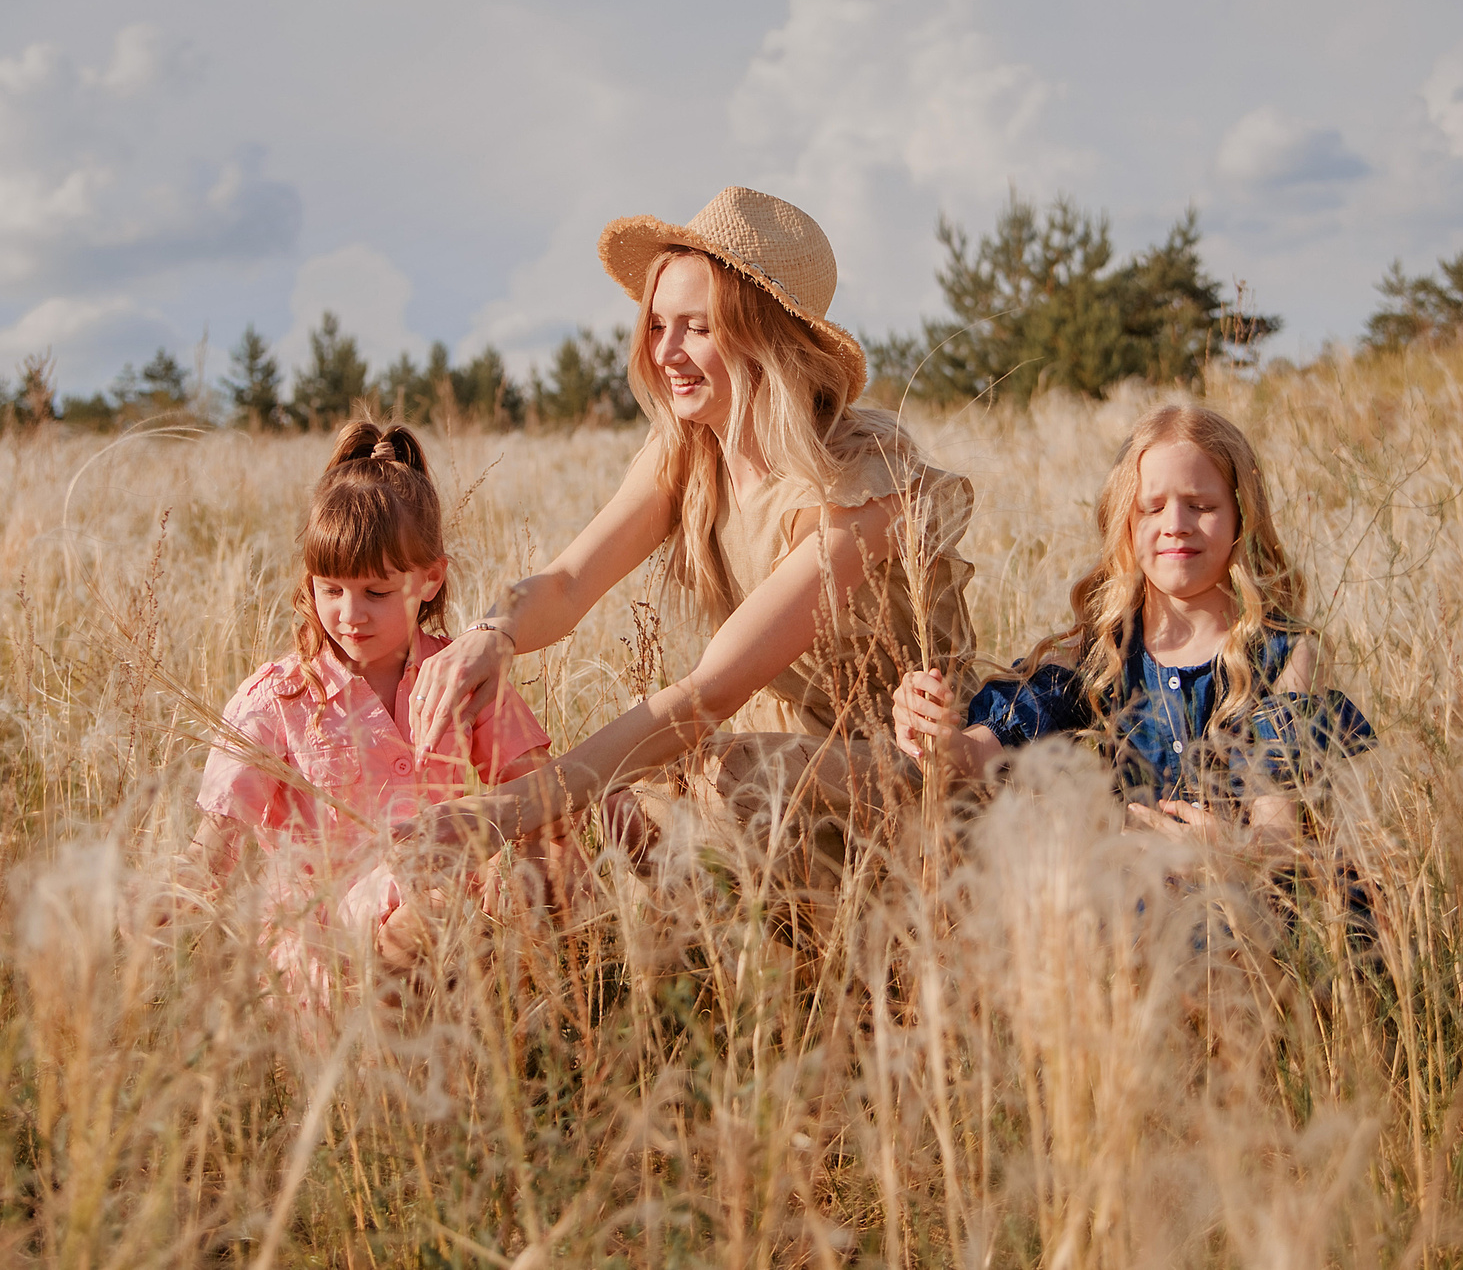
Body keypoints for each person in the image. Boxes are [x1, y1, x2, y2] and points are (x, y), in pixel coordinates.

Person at [400, 186, 974, 879]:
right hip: (750, 764)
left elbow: (710, 693)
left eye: (697, 327)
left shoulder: (863, 484)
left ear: (767, 336)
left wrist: (508, 807)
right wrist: (495, 631)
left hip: (898, 774)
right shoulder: (689, 450)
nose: (666, 350)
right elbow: (570, 580)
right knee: (559, 851)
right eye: (657, 324)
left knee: (691, 778)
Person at [892, 404, 1372, 861]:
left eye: (1201, 505)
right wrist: (938, 734)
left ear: (1241, 518)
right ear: (1124, 521)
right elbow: (979, 759)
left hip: (1247, 916)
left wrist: (1230, 852)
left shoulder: (1283, 654)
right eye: (1152, 508)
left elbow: (1279, 836)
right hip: (1129, 910)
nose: (1176, 525)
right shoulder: (1100, 650)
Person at [191, 421, 560, 988]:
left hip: (456, 943)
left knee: (449, 908)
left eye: (377, 592)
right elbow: (217, 838)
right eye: (330, 589)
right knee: (424, 916)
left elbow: (537, 793)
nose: (350, 614)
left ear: (431, 578)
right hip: (321, 956)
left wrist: (523, 869)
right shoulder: (281, 698)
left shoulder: (466, 676)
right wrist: (177, 893)